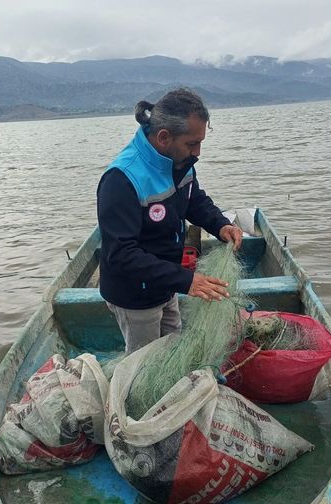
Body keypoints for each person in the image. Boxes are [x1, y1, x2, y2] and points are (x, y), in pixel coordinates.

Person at [96, 88, 244, 354]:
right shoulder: (122, 179)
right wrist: (187, 280)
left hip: (166, 284)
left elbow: (194, 200)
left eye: (200, 143)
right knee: (144, 361)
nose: (198, 152)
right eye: (192, 144)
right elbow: (121, 254)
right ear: (164, 137)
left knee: (172, 346)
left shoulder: (179, 162)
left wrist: (220, 224)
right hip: (134, 295)